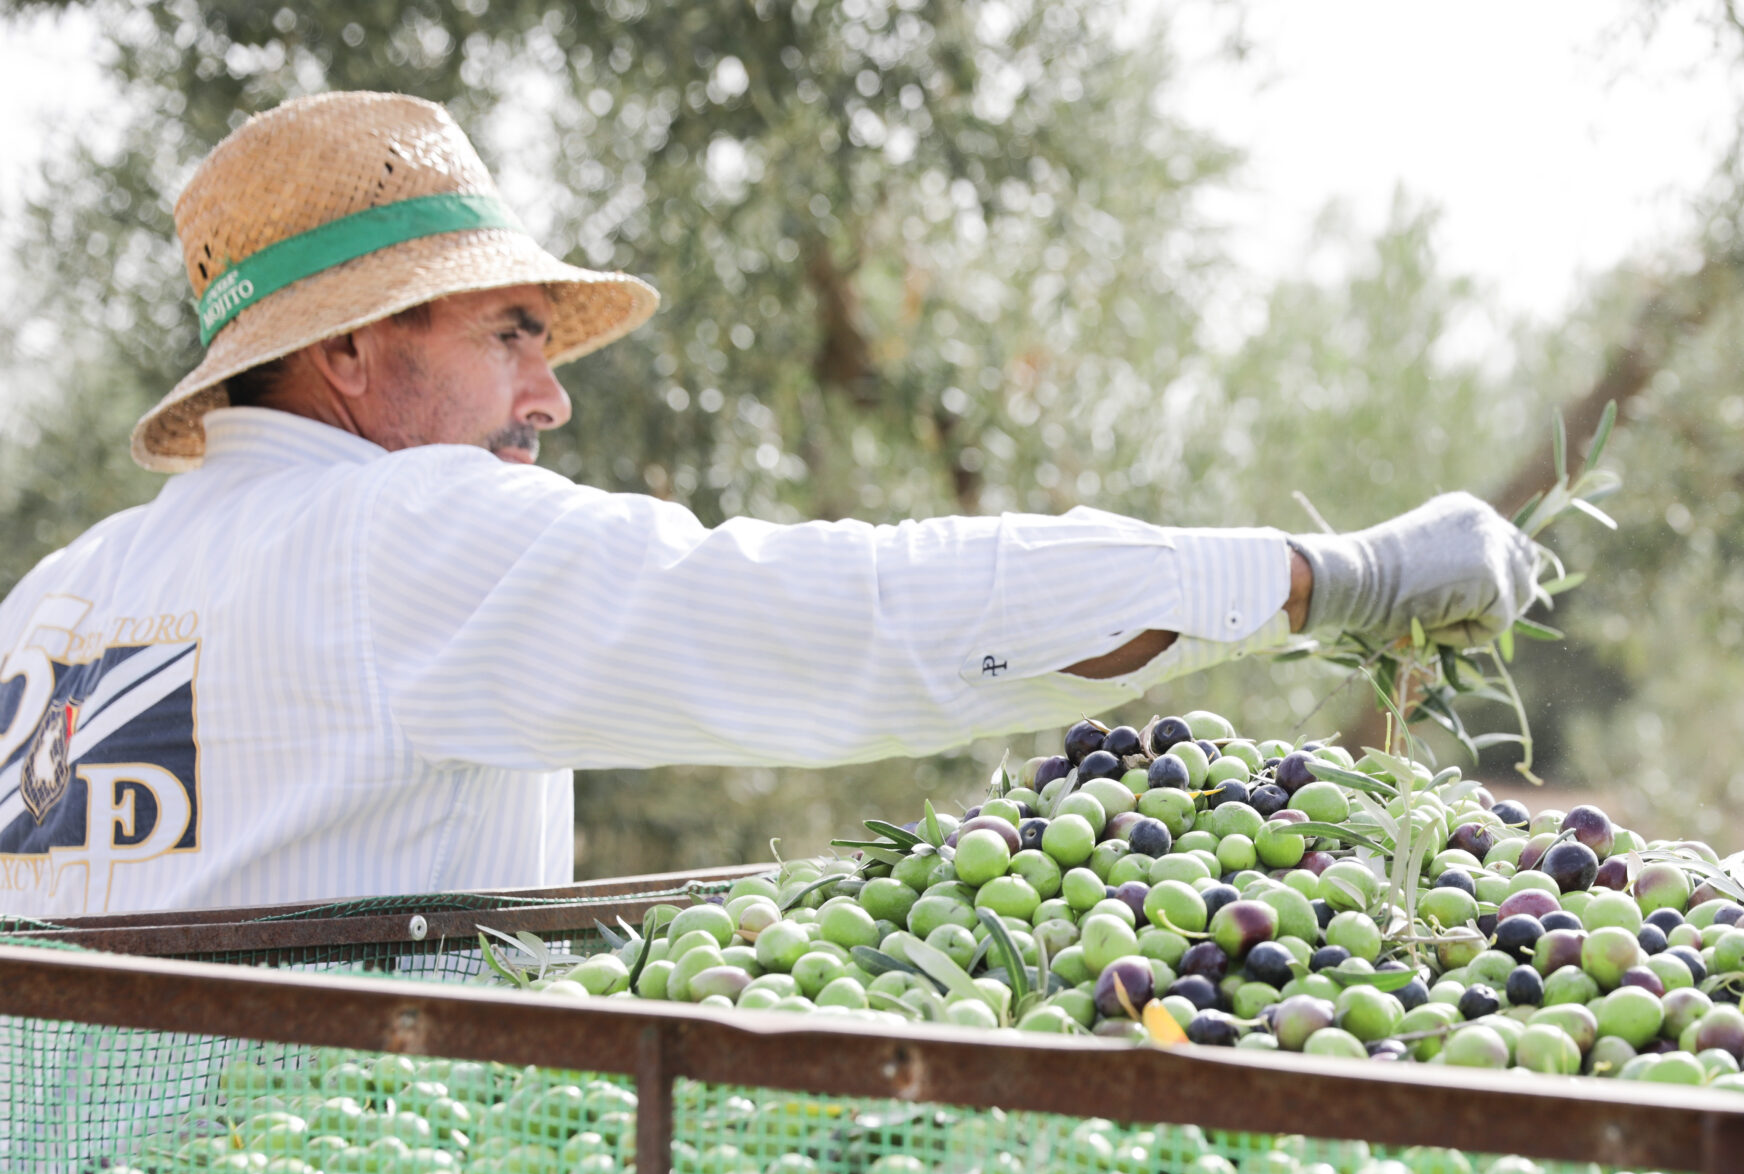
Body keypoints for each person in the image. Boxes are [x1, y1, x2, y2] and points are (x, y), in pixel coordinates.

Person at [0, 92, 1539, 918]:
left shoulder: (54, 604)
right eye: (510, 333)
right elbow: (852, 615)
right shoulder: (405, 535)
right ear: (346, 351)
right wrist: (1326, 577)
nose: (550, 396)